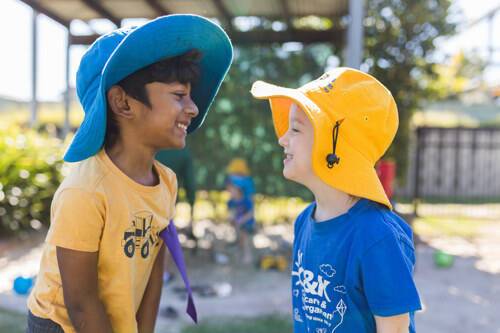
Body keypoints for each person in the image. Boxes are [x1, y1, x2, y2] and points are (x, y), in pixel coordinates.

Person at [26, 15, 232, 333]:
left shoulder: (166, 182)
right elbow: (81, 302)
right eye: (179, 96)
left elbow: (153, 274)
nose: (193, 108)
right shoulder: (86, 190)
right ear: (123, 102)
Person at [251, 68, 421, 333]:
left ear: (334, 147)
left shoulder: (377, 236)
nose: (282, 139)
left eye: (295, 129)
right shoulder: (303, 222)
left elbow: (394, 329)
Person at [226, 174, 255, 264]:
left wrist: (242, 220)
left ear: (238, 189)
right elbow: (231, 213)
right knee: (239, 237)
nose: (229, 191)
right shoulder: (231, 202)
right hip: (237, 224)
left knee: (244, 235)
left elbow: (251, 213)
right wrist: (231, 218)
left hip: (247, 223)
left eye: (231, 189)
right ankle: (240, 253)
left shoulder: (246, 201)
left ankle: (248, 255)